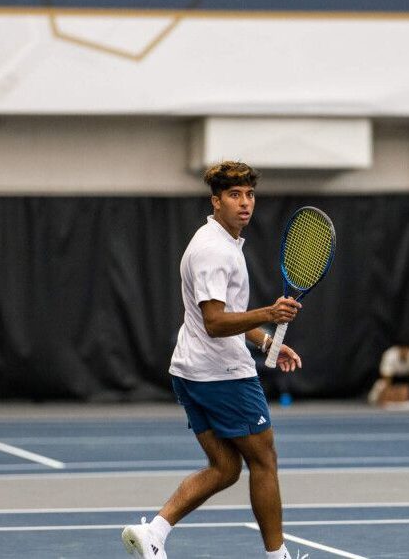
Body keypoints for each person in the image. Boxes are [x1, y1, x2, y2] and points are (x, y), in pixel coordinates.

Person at [122, 161, 303, 559]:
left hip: (190, 371)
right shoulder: (213, 250)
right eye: (234, 195)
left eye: (250, 195)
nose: (244, 203)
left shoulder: (222, 243)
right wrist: (269, 313)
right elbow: (216, 322)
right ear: (216, 201)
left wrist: (268, 342)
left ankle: (154, 532)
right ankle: (278, 557)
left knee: (225, 467)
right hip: (221, 374)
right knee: (265, 461)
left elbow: (231, 314)